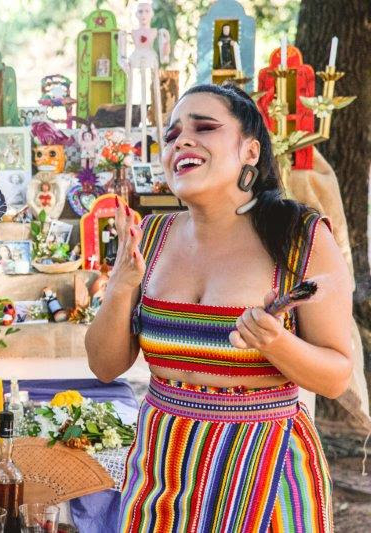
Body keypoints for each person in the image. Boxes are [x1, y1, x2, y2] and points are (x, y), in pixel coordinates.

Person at [86, 84, 352, 532]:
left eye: (204, 127)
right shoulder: (151, 235)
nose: (181, 141)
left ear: (250, 150)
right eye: (171, 136)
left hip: (264, 475)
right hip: (162, 472)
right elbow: (105, 366)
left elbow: (335, 377)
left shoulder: (299, 236)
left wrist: (276, 342)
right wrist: (120, 288)